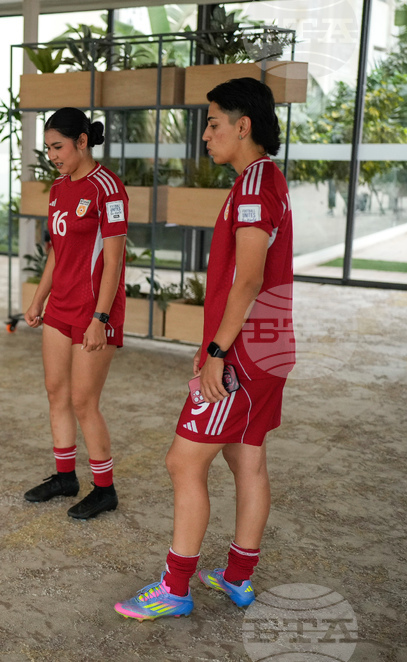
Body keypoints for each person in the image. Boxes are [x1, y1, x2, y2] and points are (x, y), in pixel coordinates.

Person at [114, 77, 295, 620]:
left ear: (244, 126)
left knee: (182, 461)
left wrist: (216, 351)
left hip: (241, 354)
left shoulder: (254, 187)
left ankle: (175, 587)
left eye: (213, 123)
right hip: (269, 347)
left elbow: (248, 278)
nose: (206, 136)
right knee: (248, 460)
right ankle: (238, 577)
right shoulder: (266, 180)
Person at [23, 108, 128, 520]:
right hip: (60, 306)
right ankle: (65, 476)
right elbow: (57, 252)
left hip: (94, 311)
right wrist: (37, 300)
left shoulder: (108, 188)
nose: (52, 155)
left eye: (58, 146)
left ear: (82, 142)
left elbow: (115, 261)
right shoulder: (58, 189)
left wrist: (100, 318)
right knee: (56, 391)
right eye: (48, 147)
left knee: (85, 401)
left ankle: (105, 489)